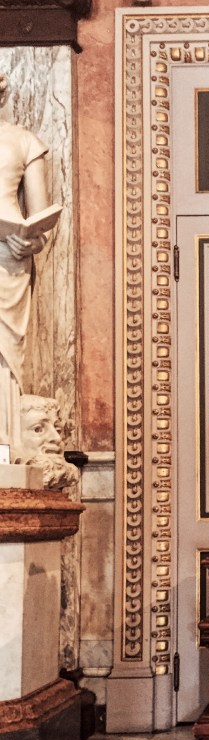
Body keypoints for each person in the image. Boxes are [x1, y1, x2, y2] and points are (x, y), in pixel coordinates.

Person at [0, 72, 53, 457]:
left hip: (6, 258)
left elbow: (42, 220)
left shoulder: (24, 141)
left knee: (4, 354)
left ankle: (4, 442)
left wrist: (27, 242)